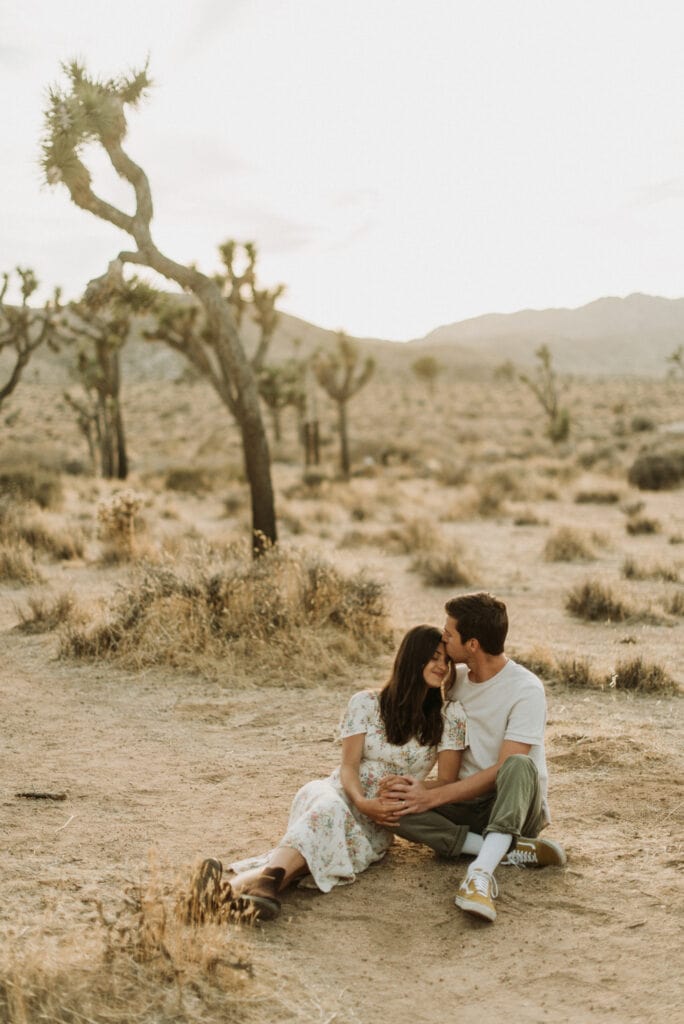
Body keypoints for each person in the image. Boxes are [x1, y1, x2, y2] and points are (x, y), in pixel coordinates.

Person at [187, 624, 468, 923]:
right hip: (339, 791)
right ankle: (256, 889)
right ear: (412, 657)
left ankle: (223, 895)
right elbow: (349, 766)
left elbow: (447, 781)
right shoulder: (366, 703)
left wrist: (414, 788)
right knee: (328, 810)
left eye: (446, 662)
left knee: (313, 850)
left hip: (377, 822)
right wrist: (361, 801)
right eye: (434, 657)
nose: (441, 667)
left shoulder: (448, 716)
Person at [382, 592, 566, 923]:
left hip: (514, 803)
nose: (443, 637)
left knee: (519, 765)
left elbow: (501, 771)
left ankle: (479, 874)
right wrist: (418, 793)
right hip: (466, 806)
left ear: (473, 645)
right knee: (394, 804)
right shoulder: (454, 680)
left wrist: (432, 796)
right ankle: (503, 849)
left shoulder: (526, 689)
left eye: (449, 634)